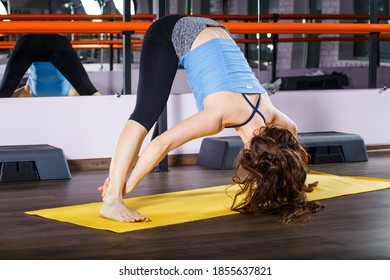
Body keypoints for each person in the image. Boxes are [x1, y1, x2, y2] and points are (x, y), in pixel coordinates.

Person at [99, 15, 323, 224]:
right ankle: (111, 202)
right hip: (169, 32)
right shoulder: (219, 116)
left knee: (148, 113)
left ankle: (114, 193)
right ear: (248, 155)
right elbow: (161, 143)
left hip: (213, 29)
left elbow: (292, 130)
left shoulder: (269, 112)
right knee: (144, 115)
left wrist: (295, 176)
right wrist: (123, 188)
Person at [0, 34, 100, 98]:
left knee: (91, 93)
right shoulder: (71, 93)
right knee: (91, 94)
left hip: (33, 44)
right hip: (52, 45)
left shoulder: (27, 92)